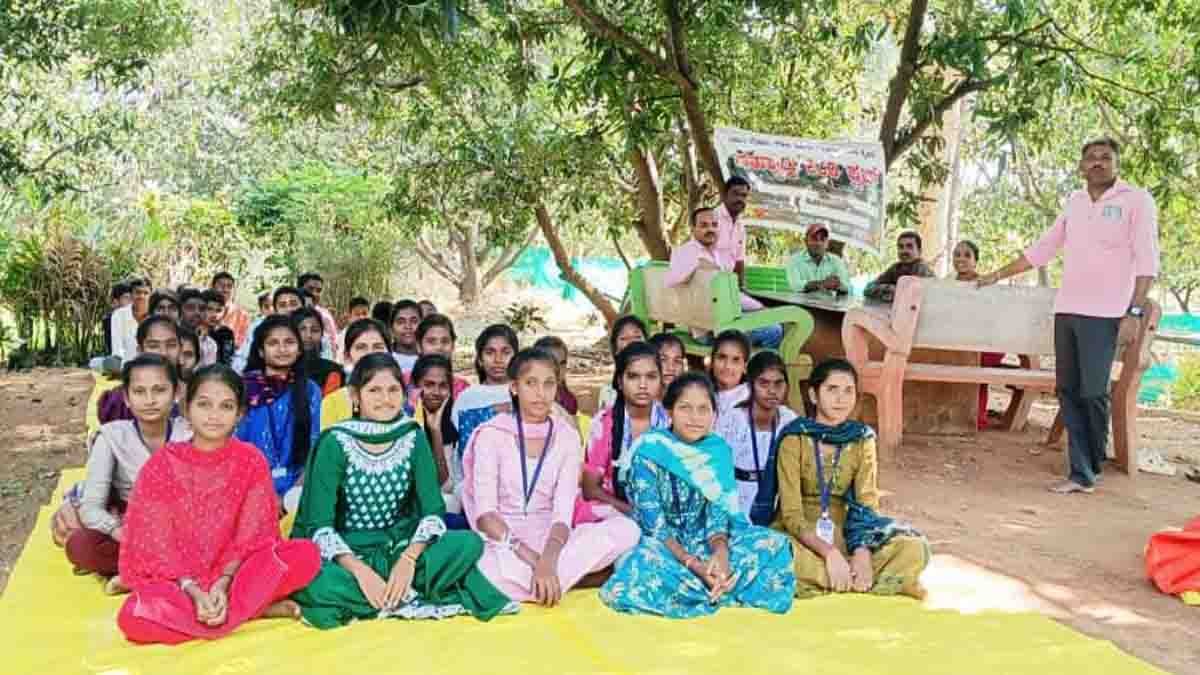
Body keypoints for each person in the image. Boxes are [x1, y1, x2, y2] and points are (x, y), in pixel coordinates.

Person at [979, 138, 1159, 494]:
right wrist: (996, 275)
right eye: (1091, 158)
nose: (1097, 163)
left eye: (1106, 158)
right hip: (1068, 310)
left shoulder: (1136, 200)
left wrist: (1134, 312)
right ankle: (1083, 471)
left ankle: (1089, 465)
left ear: (1116, 165)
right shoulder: (1075, 203)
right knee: (1068, 389)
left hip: (1106, 314)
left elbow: (1147, 260)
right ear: (1081, 167)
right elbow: (1043, 249)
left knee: (1093, 392)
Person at [290, 354, 516, 628]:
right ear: (354, 395)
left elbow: (433, 511)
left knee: (468, 543)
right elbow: (319, 526)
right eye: (374, 390)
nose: (385, 399)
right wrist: (361, 572)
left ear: (404, 393)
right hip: (346, 555)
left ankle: (385, 594)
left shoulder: (412, 435)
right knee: (308, 577)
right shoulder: (335, 442)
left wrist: (409, 559)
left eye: (393, 389)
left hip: (398, 546)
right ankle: (402, 594)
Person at [115, 364, 321, 645]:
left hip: (236, 576)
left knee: (305, 554)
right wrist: (194, 590)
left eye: (225, 406)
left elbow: (252, 535)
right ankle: (249, 611)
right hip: (180, 581)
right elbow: (158, 542)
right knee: (132, 616)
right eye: (204, 404)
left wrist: (223, 583)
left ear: (240, 414)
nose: (214, 416)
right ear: (186, 409)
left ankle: (222, 612)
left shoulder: (251, 460)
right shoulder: (162, 465)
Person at [600, 372, 796, 618]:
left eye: (703, 409)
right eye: (685, 408)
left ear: (714, 414)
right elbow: (654, 526)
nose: (695, 418)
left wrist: (721, 554)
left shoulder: (718, 451)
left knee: (774, 545)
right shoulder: (650, 450)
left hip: (705, 542)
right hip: (663, 546)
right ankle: (718, 586)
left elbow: (718, 515)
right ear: (669, 411)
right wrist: (694, 565)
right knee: (641, 568)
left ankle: (708, 585)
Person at [462, 348, 640, 605]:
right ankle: (560, 580)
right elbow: (486, 516)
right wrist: (536, 562)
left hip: (553, 539)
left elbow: (562, 513)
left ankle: (541, 582)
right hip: (504, 541)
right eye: (530, 383)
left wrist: (548, 559)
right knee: (483, 568)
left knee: (627, 529)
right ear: (514, 387)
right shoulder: (491, 435)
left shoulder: (566, 436)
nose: (540, 393)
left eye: (548, 384)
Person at [773, 359, 929, 598]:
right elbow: (791, 515)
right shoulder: (794, 438)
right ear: (814, 395)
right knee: (772, 551)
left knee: (914, 548)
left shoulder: (861, 439)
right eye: (832, 389)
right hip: (803, 538)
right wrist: (830, 554)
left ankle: (839, 577)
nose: (841, 399)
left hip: (849, 534)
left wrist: (861, 552)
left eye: (848, 391)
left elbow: (866, 504)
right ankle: (848, 579)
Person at [58, 355, 193, 590]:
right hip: (130, 529)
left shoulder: (191, 433)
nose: (150, 400)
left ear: (175, 393)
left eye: (159, 390)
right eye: (139, 392)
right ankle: (168, 574)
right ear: (127, 399)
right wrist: (121, 532)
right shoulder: (111, 437)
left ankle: (142, 574)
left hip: (184, 528)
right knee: (80, 546)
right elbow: (91, 506)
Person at [575, 342, 669, 525]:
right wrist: (632, 512)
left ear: (660, 381)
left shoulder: (670, 422)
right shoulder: (604, 424)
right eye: (633, 376)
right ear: (619, 381)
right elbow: (590, 489)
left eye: (651, 377)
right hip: (615, 510)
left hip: (661, 512)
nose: (643, 385)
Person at [235, 315, 322, 510]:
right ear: (261, 351)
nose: (282, 349)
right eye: (273, 343)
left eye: (289, 342)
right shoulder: (242, 389)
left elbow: (315, 445)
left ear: (299, 349)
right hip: (248, 487)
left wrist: (293, 494)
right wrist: (266, 494)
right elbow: (233, 446)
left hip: (298, 488)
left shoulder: (310, 390)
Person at [666, 207, 782, 348]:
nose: (710, 229)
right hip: (711, 331)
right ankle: (752, 367)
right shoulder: (686, 253)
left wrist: (760, 308)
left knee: (767, 318)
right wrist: (694, 268)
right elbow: (671, 281)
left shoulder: (716, 254)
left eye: (714, 225)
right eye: (704, 225)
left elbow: (730, 294)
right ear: (693, 228)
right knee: (774, 330)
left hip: (717, 321)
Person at [715, 351, 798, 524]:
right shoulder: (732, 419)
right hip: (735, 497)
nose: (772, 391)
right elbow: (717, 468)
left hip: (776, 498)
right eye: (764, 383)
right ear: (751, 385)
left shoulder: (790, 421)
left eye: (778, 384)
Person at [951, 240, 1005, 430]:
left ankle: (976, 417)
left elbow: (992, 322)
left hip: (986, 344)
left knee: (971, 357)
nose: (960, 259)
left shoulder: (983, 284)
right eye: (957, 254)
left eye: (966, 255)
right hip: (958, 341)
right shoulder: (949, 286)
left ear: (976, 261)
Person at [97, 317, 182, 425]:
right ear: (140, 351)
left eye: (171, 345)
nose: (163, 353)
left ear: (181, 348)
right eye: (153, 346)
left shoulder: (195, 393)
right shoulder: (118, 400)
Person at [450, 324, 519, 457]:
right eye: (490, 352)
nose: (498, 360)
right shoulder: (468, 397)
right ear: (480, 360)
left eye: (505, 352)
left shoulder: (526, 393)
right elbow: (463, 446)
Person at [410, 354, 462, 522]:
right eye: (429, 385)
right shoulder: (403, 414)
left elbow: (445, 485)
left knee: (449, 503)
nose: (436, 393)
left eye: (443, 386)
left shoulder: (450, 419)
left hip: (435, 501)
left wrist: (435, 430)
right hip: (407, 502)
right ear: (416, 386)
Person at [321, 319, 393, 430]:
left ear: (389, 353)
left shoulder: (402, 398)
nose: (370, 354)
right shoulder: (332, 403)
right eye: (361, 347)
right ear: (347, 356)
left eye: (377, 347)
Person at [233, 286, 305, 373]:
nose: (289, 309)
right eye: (282, 305)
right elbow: (242, 358)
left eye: (293, 304)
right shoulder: (261, 327)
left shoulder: (313, 329)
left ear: (303, 306)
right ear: (275, 310)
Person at [863, 231, 934, 302]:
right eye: (901, 247)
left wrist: (894, 291)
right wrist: (891, 289)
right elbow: (868, 288)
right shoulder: (896, 268)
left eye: (909, 246)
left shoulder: (923, 270)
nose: (904, 250)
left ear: (919, 251)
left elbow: (913, 297)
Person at [596, 315, 649, 411]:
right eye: (624, 338)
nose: (632, 342)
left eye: (637, 336)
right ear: (615, 349)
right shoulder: (608, 393)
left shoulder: (658, 387)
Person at [786, 222, 850, 294]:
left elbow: (847, 287)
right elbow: (796, 286)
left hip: (827, 304)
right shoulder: (795, 260)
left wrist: (838, 285)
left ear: (827, 243)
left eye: (822, 239)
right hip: (801, 304)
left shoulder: (836, 261)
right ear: (806, 241)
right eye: (814, 238)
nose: (819, 243)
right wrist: (824, 284)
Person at [294, 307, 344, 395]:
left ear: (322, 334)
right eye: (302, 329)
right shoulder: (281, 370)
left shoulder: (332, 371)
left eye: (314, 330)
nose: (308, 335)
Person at [714, 175, 752, 288]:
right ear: (725, 195)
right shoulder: (712, 219)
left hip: (729, 286)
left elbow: (739, 263)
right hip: (709, 286)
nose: (740, 199)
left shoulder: (740, 226)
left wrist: (742, 289)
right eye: (735, 194)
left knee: (758, 305)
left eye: (744, 195)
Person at [709, 329, 751, 416]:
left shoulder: (751, 400)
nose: (727, 366)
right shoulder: (700, 393)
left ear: (745, 367)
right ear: (712, 361)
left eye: (736, 360)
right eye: (722, 357)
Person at [298, 272, 340, 357]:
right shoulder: (289, 312)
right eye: (310, 289)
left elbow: (333, 347)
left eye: (319, 291)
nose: (315, 294)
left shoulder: (325, 316)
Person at [534, 335, 577, 416]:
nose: (559, 369)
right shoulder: (525, 399)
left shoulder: (570, 401)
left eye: (562, 363)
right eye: (552, 363)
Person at [111, 278, 152, 363]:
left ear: (150, 295)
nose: (142, 296)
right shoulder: (119, 315)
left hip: (152, 364)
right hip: (126, 365)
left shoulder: (155, 315)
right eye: (138, 292)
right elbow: (117, 349)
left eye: (146, 293)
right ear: (131, 295)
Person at [179, 288, 217, 366]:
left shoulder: (209, 344)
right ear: (180, 310)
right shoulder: (170, 337)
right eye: (190, 308)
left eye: (202, 309)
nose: (197, 313)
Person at [212, 272, 252, 348]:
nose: (225, 289)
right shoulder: (203, 310)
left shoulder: (242, 315)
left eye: (229, 286)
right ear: (213, 287)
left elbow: (244, 344)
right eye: (221, 286)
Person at [202, 289, 238, 365]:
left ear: (225, 313)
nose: (214, 315)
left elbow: (227, 361)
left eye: (218, 310)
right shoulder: (193, 331)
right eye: (209, 309)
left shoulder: (226, 333)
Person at [390, 300, 422, 371]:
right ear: (391, 329)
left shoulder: (430, 358)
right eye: (401, 322)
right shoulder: (384, 359)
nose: (408, 326)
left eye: (414, 321)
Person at [103, 282, 133, 356]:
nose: (131, 302)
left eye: (132, 298)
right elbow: (115, 350)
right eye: (126, 298)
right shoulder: (109, 320)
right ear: (115, 302)